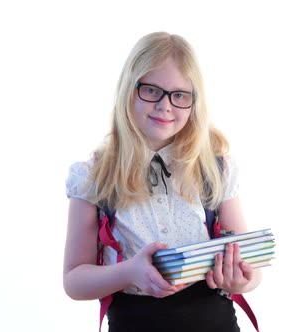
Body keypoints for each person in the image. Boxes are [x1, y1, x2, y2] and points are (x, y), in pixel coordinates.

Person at [63, 31, 262, 332]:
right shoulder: (94, 175)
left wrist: (242, 278)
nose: (165, 105)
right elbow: (74, 280)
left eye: (179, 95)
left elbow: (251, 267)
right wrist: (129, 272)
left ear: (195, 103)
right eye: (152, 90)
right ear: (129, 90)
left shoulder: (214, 168)